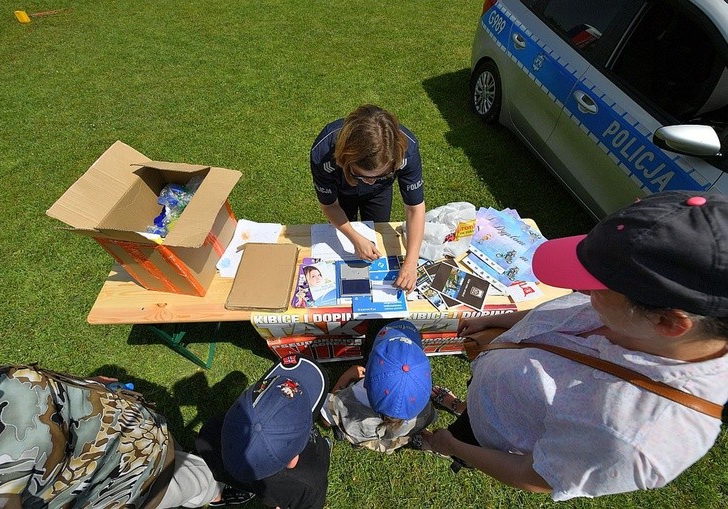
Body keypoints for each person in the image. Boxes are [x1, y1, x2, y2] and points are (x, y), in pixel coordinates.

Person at [421, 191, 728, 500]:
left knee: (467, 434)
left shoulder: (629, 437)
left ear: (669, 323)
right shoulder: (637, 305)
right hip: (496, 389)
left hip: (491, 435)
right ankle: (464, 407)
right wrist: (503, 320)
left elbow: (533, 475)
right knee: (472, 411)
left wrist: (453, 446)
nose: (578, 288)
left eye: (594, 287)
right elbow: (565, 310)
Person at [0, 360, 240, 508]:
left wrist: (87, 389)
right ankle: (215, 493)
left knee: (176, 455)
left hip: (131, 430)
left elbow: (12, 380)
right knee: (197, 478)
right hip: (125, 480)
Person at [310, 104, 425, 291]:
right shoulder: (323, 152)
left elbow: (414, 208)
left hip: (380, 193)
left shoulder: (407, 151)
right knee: (342, 236)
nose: (369, 182)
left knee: (378, 233)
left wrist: (411, 263)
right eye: (362, 175)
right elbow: (330, 205)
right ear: (345, 160)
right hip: (342, 190)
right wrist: (355, 238)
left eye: (380, 174)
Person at [196, 354, 331, 509]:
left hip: (254, 484)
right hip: (294, 480)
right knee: (321, 450)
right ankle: (324, 446)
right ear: (293, 460)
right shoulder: (310, 483)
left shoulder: (209, 434)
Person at [320, 320, 436, 453]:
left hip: (360, 428)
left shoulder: (355, 395)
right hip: (393, 437)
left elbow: (326, 419)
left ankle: (355, 440)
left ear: (367, 379)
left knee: (351, 428)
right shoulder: (422, 407)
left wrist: (348, 375)